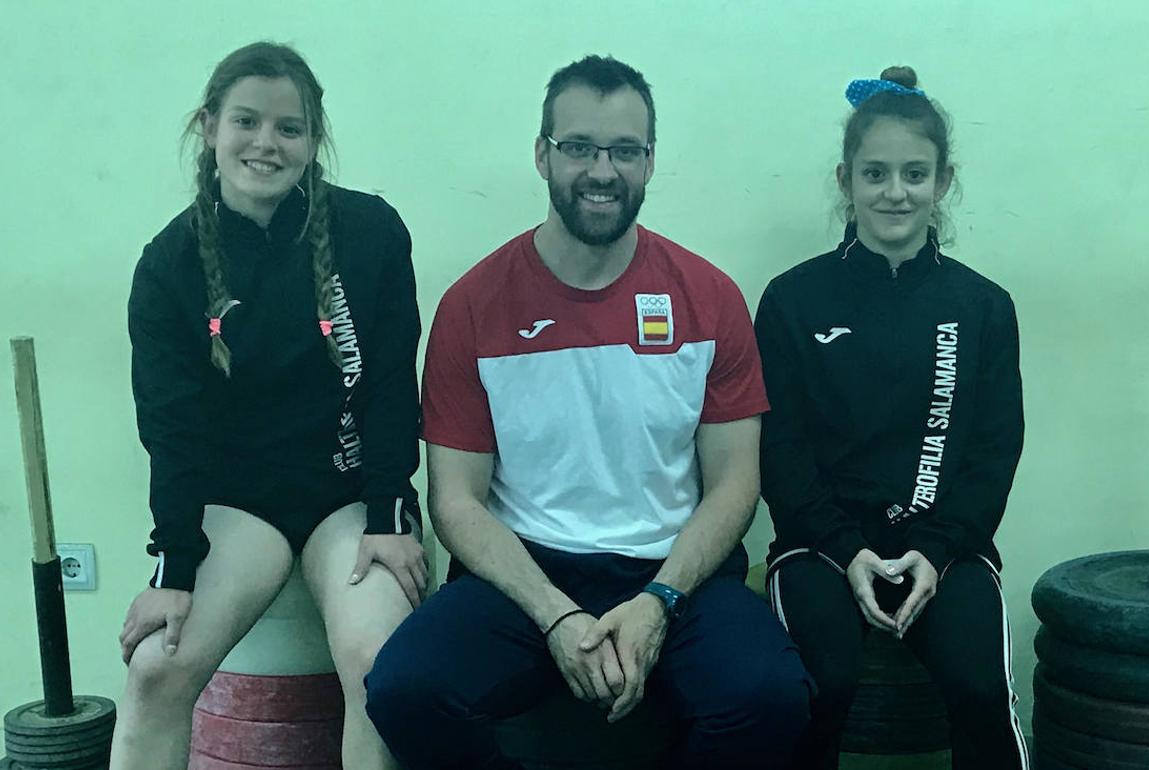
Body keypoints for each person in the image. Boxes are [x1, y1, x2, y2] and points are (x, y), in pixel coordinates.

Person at [365, 54, 812, 769]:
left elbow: (734, 484)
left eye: (624, 150)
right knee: (404, 691)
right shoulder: (473, 306)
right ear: (542, 154)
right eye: (579, 147)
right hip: (523, 574)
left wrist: (659, 600)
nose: (601, 170)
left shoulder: (710, 298)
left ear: (650, 161)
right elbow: (456, 502)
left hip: (675, 569)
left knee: (772, 697)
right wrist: (555, 615)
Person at [110, 41, 424, 770]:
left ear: (314, 140)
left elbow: (389, 386)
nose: (266, 143)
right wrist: (175, 569)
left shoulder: (371, 232)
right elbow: (171, 429)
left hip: (345, 495)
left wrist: (389, 515)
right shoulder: (169, 264)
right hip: (239, 504)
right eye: (246, 121)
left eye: (290, 127)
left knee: (381, 663)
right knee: (155, 669)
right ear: (210, 125)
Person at [755, 66, 1030, 769]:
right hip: (821, 548)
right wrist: (848, 553)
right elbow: (780, 453)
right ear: (845, 180)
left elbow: (994, 453)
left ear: (943, 182)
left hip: (944, 547)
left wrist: (936, 553)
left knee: (979, 686)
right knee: (819, 685)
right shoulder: (791, 301)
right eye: (875, 173)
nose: (895, 192)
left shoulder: (984, 307)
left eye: (915, 173)